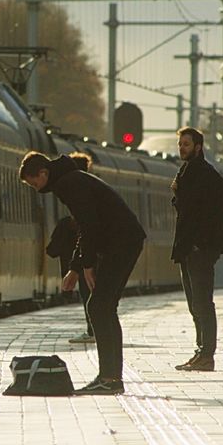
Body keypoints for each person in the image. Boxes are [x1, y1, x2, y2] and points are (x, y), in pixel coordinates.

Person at [20, 151, 146, 395]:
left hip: (121, 243)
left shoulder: (69, 184)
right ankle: (110, 377)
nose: (36, 189)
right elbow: (87, 227)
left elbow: (89, 225)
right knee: (103, 306)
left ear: (44, 173)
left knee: (100, 306)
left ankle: (109, 378)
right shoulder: (72, 179)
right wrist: (77, 267)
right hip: (123, 242)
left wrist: (84, 265)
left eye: (35, 183)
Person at [170, 127, 223, 372]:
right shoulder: (187, 172)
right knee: (194, 303)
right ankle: (200, 350)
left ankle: (207, 354)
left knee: (203, 302)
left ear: (198, 146)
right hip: (188, 247)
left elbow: (211, 214)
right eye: (180, 144)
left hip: (200, 248)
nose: (182, 148)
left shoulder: (206, 176)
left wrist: (203, 244)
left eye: (186, 144)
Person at [45, 152, 96, 344]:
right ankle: (94, 330)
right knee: (91, 292)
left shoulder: (78, 190)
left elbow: (86, 227)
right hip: (90, 251)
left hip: (89, 251)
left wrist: (77, 266)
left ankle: (93, 331)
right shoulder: (92, 185)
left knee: (89, 291)